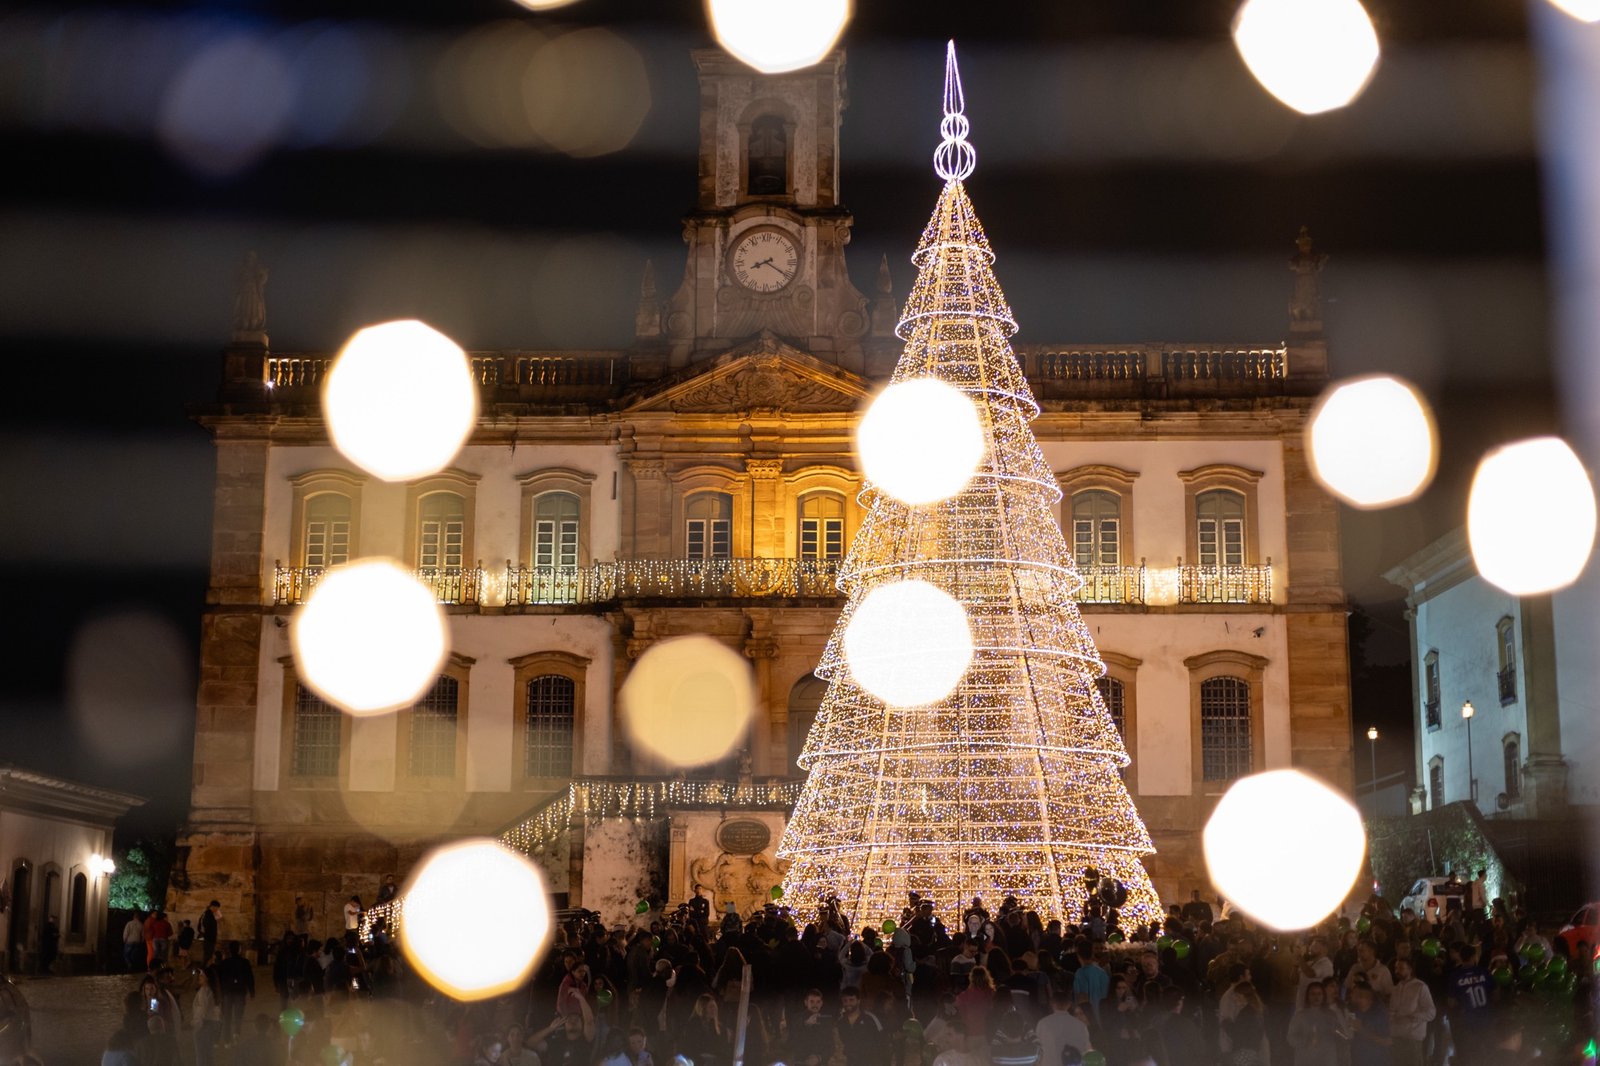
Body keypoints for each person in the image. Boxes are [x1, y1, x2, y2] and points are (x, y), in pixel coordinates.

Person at [1388, 958, 1435, 1066]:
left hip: (1412, 1038)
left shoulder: (1420, 987)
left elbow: (1431, 1012)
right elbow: (1392, 1010)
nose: (1397, 971)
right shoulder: (1396, 989)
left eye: (1401, 968)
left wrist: (1413, 1017)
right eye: (1396, 968)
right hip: (1396, 1037)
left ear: (1410, 969)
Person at [1287, 980, 1344, 1066]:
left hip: (1327, 1058)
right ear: (1308, 996)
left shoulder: (1331, 1014)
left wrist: (1336, 1032)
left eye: (1319, 994)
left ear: (1323, 995)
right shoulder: (1300, 1015)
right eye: (1313, 994)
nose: (1316, 997)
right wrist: (1305, 1040)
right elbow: (1291, 1037)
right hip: (1306, 1058)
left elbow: (1341, 1034)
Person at [1036, 984, 1092, 1066]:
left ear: (1052, 1004)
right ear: (1069, 1004)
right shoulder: (1080, 1025)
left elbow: (1038, 1050)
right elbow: (1087, 1050)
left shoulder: (1043, 1023)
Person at [215, 940, 255, 1044]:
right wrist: (251, 991)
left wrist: (220, 992)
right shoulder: (244, 962)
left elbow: (219, 978)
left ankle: (227, 1039)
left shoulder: (224, 963)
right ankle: (236, 1034)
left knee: (227, 1016)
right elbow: (249, 977)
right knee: (238, 1015)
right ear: (239, 949)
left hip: (228, 992)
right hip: (239, 992)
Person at [835, 986, 887, 1065]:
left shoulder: (870, 1019)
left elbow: (883, 1043)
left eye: (851, 1000)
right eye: (845, 1000)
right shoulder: (840, 1023)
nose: (848, 1003)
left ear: (858, 1001)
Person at [1347, 983, 1392, 1066]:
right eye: (1353, 993)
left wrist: (1361, 1030)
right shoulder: (1354, 1011)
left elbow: (1386, 1041)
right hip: (1358, 1058)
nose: (1353, 996)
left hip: (1376, 1059)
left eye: (1359, 995)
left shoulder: (1378, 1015)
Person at [191, 966, 222, 1066]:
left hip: (204, 1025)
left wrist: (196, 1024)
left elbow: (202, 1012)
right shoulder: (211, 991)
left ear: (207, 978)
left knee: (200, 1054)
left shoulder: (205, 991)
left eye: (201, 975)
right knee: (209, 1054)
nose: (199, 977)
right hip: (211, 1024)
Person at [197, 901, 220, 968]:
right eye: (217, 908)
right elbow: (206, 927)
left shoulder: (208, 914)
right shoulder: (208, 914)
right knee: (208, 955)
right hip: (209, 938)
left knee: (208, 955)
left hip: (209, 938)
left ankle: (204, 968)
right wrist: (209, 936)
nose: (217, 910)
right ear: (213, 906)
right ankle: (203, 969)